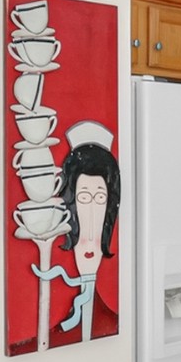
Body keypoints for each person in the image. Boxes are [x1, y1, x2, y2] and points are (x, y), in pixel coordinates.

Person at [30, 120, 119, 345]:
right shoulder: (50, 336)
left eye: (100, 199)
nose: (89, 230)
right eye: (82, 199)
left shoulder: (112, 321)